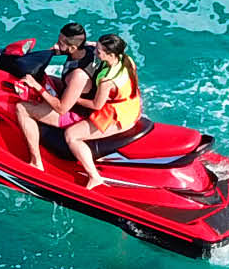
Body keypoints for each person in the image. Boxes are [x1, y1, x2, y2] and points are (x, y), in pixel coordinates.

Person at [13, 23, 97, 171]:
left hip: (76, 114)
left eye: (60, 43)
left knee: (22, 108)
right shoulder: (89, 49)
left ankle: (36, 162)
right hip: (73, 91)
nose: (56, 44)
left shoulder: (78, 75)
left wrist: (36, 86)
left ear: (72, 48)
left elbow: (62, 108)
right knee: (48, 78)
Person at [63, 34, 142, 188]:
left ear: (110, 54)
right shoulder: (126, 60)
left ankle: (94, 177)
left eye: (99, 51)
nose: (95, 53)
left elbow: (96, 105)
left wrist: (74, 98)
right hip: (132, 104)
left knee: (71, 135)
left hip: (117, 114)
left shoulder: (107, 81)